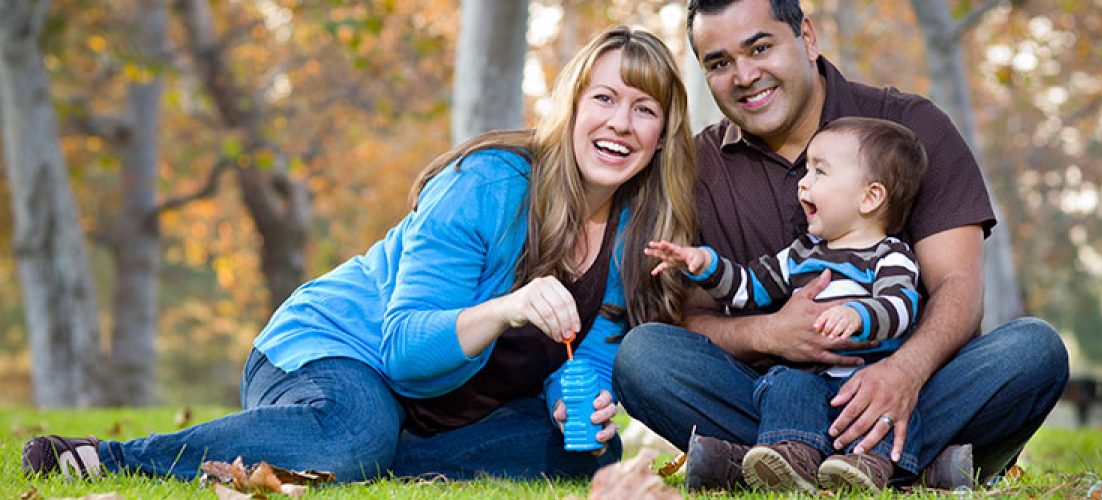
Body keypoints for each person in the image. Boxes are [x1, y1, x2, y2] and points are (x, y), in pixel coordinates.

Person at [21, 26, 698, 483]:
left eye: (644, 110)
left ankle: (366, 457)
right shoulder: (489, 184)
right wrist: (507, 308)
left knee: (588, 448)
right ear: (571, 109)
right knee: (355, 431)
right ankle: (108, 457)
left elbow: (589, 354)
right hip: (336, 353)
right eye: (604, 98)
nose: (619, 123)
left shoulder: (636, 234)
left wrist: (574, 398)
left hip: (439, 410)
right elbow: (403, 347)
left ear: (664, 135)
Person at [612, 0, 1069, 494]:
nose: (744, 76)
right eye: (719, 63)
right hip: (770, 398)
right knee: (643, 357)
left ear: (807, 38)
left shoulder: (910, 128)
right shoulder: (696, 167)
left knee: (1033, 350)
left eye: (760, 47)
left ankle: (759, 467)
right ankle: (916, 472)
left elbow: (958, 285)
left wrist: (902, 373)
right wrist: (770, 334)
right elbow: (695, 320)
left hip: (913, 392)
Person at [644, 116, 927, 493]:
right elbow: (749, 287)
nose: (803, 182)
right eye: (806, 170)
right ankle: (792, 455)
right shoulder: (801, 254)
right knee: (787, 383)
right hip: (808, 383)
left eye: (820, 172)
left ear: (870, 197)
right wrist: (705, 265)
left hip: (866, 385)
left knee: (885, 409)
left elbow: (899, 307)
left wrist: (856, 314)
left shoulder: (890, 255)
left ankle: (864, 467)